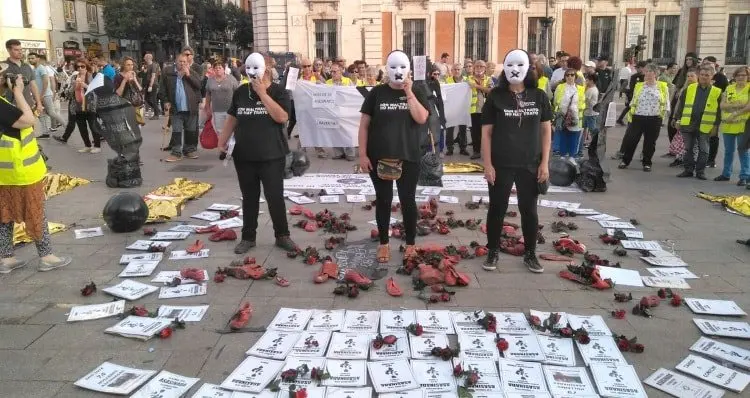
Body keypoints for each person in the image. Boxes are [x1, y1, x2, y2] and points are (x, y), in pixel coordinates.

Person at [217, 53, 298, 255]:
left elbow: (282, 117)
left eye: (256, 68)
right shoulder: (241, 92)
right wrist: (222, 140)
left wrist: (263, 93)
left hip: (272, 156)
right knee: (249, 197)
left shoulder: (279, 92)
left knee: (274, 197)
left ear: (267, 68)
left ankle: (282, 235)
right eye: (248, 68)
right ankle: (248, 237)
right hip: (244, 155)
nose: (251, 73)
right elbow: (232, 117)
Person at [480, 49, 551, 273]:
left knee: (529, 210)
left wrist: (545, 163)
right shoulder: (495, 97)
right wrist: (487, 164)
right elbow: (486, 133)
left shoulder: (539, 96)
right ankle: (493, 251)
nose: (515, 69)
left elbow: (546, 131)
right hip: (501, 164)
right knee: (497, 209)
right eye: (510, 65)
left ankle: (530, 253)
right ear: (504, 67)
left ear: (528, 68)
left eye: (520, 65)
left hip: (530, 164)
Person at [358, 50, 429, 264]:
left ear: (408, 68)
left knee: (408, 200)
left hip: (409, 156)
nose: (398, 72)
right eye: (393, 67)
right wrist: (362, 154)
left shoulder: (417, 90)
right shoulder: (377, 93)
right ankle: (383, 243)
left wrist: (408, 93)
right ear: (387, 68)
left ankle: (410, 244)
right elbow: (364, 125)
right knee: (384, 200)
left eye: (402, 67)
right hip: (380, 157)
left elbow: (421, 118)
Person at [0, 68, 71, 273]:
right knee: (36, 212)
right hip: (20, 171)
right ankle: (46, 256)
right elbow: (29, 120)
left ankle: (6, 258)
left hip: (4, 174)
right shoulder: (2, 105)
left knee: (4, 215)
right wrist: (19, 92)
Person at [617, 64, 670, 172]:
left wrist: (665, 116)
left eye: (651, 72)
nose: (648, 74)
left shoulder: (663, 87)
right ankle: (625, 160)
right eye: (646, 72)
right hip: (638, 117)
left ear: (656, 74)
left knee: (650, 142)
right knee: (631, 140)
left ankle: (647, 162)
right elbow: (634, 99)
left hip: (654, 118)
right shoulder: (639, 85)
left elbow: (666, 102)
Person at [676, 65, 722, 180]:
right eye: (702, 75)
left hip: (705, 125)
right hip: (688, 124)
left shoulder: (717, 92)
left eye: (707, 75)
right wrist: (677, 119)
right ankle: (688, 170)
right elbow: (681, 106)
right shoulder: (689, 89)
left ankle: (700, 171)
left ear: (712, 77)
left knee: (704, 150)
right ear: (699, 75)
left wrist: (715, 126)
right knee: (688, 149)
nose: (704, 77)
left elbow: (718, 111)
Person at [159, 53, 202, 162]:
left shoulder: (192, 72)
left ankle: (188, 150)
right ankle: (176, 153)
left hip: (190, 107)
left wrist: (188, 75)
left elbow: (199, 86)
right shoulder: (167, 72)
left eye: (185, 62)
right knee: (177, 130)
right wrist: (165, 101)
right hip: (175, 107)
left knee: (191, 130)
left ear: (188, 63)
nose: (182, 64)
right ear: (176, 61)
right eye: (180, 61)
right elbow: (162, 88)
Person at [53, 58, 102, 153]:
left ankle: (97, 146)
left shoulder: (92, 76)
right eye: (78, 67)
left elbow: (98, 91)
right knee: (82, 127)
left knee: (93, 126)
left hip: (90, 106)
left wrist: (86, 86)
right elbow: (67, 93)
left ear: (86, 67)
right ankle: (87, 145)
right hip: (77, 106)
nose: (80, 68)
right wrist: (74, 86)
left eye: (82, 66)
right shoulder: (73, 77)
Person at [714, 67, 749, 186]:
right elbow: (722, 105)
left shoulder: (749, 88)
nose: (741, 77)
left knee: (743, 151)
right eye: (738, 75)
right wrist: (739, 105)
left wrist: (734, 112)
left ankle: (745, 176)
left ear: (747, 76)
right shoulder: (729, 88)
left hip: (743, 125)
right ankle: (726, 173)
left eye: (743, 75)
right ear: (734, 76)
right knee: (728, 151)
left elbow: (748, 106)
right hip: (728, 124)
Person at [28, 54, 66, 139]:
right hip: (39, 96)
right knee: (41, 114)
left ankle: (67, 127)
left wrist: (42, 95)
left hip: (45, 95)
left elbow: (46, 82)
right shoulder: (34, 69)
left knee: (51, 112)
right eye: (29, 58)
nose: (30, 60)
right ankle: (45, 133)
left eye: (32, 58)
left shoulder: (41, 68)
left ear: (38, 59)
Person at [323, 64, 356, 161]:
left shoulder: (347, 81)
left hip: (345, 111)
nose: (332, 74)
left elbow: (353, 94)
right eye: (331, 72)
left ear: (341, 71)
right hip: (333, 111)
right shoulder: (328, 82)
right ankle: (338, 153)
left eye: (335, 71)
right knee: (335, 132)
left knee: (347, 132)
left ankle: (350, 153)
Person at [552, 68, 585, 159]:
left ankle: (572, 157)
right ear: (565, 77)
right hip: (562, 116)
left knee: (574, 137)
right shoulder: (560, 87)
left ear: (575, 77)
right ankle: (562, 156)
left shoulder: (581, 89)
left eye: (572, 75)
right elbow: (555, 101)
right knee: (563, 136)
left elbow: (583, 103)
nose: (570, 77)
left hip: (575, 117)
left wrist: (574, 110)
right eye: (567, 75)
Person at [205, 59, 239, 137]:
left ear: (224, 69)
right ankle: (222, 147)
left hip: (230, 110)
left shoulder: (231, 79)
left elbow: (237, 93)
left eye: (220, 67)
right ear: (213, 69)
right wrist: (207, 107)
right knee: (219, 131)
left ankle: (231, 148)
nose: (218, 69)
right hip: (217, 110)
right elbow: (208, 94)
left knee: (231, 130)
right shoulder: (210, 80)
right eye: (216, 68)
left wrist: (238, 106)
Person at [468, 60, 493, 159]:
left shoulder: (488, 79)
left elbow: (491, 91)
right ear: (474, 68)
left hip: (485, 109)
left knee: (487, 132)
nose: (479, 68)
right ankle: (476, 151)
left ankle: (487, 152)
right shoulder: (468, 78)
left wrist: (477, 86)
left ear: (485, 68)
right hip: (473, 109)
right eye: (477, 66)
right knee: (475, 132)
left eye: (481, 66)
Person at [445, 63, 469, 156]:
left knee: (463, 129)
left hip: (463, 109)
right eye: (455, 69)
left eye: (458, 69)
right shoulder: (447, 81)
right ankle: (449, 148)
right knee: (449, 129)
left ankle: (463, 148)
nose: (457, 71)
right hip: (451, 108)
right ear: (452, 71)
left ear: (461, 70)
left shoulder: (467, 81)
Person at [114, 56, 144, 123]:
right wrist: (125, 80)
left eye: (132, 65)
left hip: (137, 105)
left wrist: (135, 80)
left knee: (138, 127)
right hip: (125, 106)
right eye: (128, 65)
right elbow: (118, 93)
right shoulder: (118, 77)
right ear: (123, 65)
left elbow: (141, 90)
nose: (131, 67)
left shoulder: (134, 74)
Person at [583, 73, 600, 157]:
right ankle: (585, 142)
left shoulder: (591, 90)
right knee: (584, 127)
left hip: (591, 113)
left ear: (592, 81)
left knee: (593, 129)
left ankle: (596, 142)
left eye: (587, 80)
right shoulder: (592, 88)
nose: (586, 81)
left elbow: (585, 100)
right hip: (588, 112)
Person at [143, 53, 161, 120]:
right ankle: (157, 110)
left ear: (148, 58)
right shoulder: (147, 65)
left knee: (153, 99)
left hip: (153, 84)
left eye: (145, 57)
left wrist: (150, 85)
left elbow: (153, 76)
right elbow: (145, 74)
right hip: (148, 83)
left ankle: (156, 115)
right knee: (146, 99)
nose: (144, 58)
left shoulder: (154, 65)